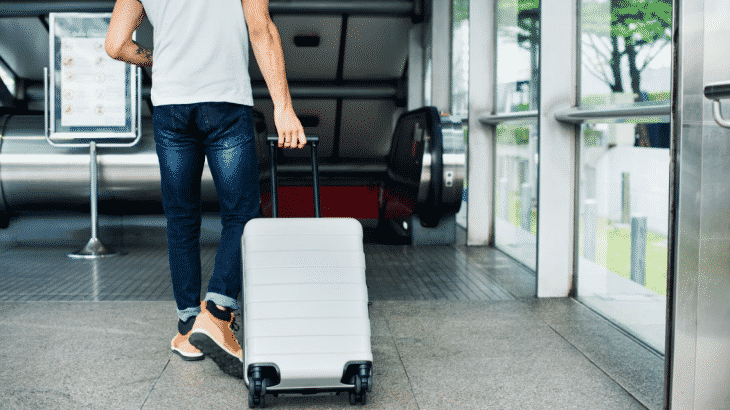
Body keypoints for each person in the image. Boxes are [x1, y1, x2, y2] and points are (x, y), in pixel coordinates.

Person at [105, 0, 306, 378]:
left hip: (170, 104)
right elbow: (261, 30)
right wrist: (283, 107)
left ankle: (186, 328)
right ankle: (216, 314)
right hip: (225, 102)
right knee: (242, 214)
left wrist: (156, 58)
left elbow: (116, 45)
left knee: (181, 218)